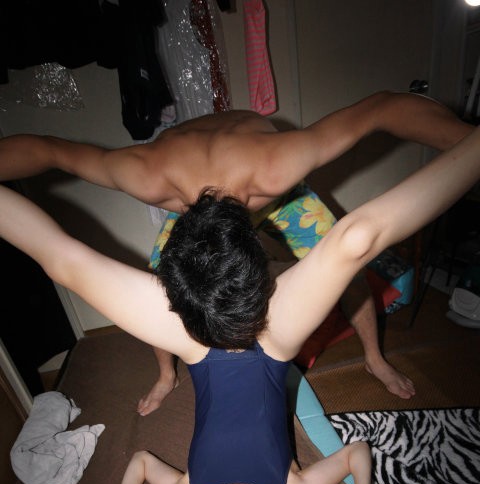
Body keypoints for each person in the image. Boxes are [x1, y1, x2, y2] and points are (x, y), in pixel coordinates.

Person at [1, 121, 480, 484]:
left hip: (199, 349)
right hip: (271, 343)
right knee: (356, 239)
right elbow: (356, 452)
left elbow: (140, 461)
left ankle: (257, 248)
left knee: (66, 266)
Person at [0, 91, 473, 415]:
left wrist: (466, 143)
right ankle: (165, 375)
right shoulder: (143, 174)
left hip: (272, 185)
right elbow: (49, 149)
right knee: (158, 283)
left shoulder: (279, 166)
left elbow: (381, 108)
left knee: (348, 271)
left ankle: (375, 357)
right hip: (197, 192)